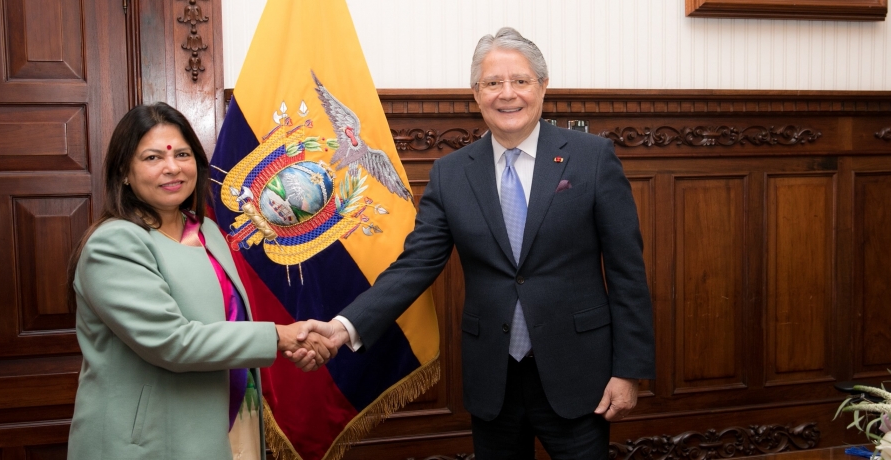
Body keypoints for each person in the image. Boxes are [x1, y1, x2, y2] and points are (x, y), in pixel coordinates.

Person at [295, 28, 655, 459]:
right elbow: (415, 266)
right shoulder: (450, 174)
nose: (508, 94)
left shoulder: (592, 157)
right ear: (476, 93)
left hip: (579, 373)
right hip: (493, 379)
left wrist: (628, 371)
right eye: (493, 83)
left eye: (521, 81)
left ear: (543, 87)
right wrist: (342, 328)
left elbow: (627, 271)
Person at [66, 102, 335, 460]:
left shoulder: (206, 230)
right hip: (146, 443)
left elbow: (231, 326)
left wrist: (297, 343)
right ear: (124, 172)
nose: (172, 167)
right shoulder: (114, 243)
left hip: (227, 423)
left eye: (182, 154)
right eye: (152, 158)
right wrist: (279, 336)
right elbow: (172, 341)